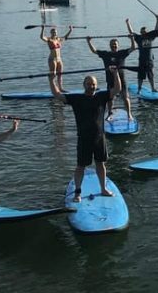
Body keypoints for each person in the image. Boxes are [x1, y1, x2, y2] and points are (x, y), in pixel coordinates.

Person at [48, 67, 121, 202]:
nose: (91, 86)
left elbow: (117, 89)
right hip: (84, 139)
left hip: (99, 138)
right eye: (88, 84)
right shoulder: (76, 98)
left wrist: (115, 73)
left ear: (96, 85)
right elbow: (57, 94)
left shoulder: (102, 96)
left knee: (100, 164)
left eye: (93, 84)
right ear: (84, 85)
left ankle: (103, 189)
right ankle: (77, 193)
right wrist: (52, 79)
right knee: (81, 166)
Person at [87, 35, 136, 120]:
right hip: (110, 81)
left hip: (122, 80)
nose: (114, 46)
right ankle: (110, 113)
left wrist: (132, 39)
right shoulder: (106, 54)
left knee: (126, 97)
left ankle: (129, 114)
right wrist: (89, 41)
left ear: (118, 45)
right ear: (110, 45)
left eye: (115, 44)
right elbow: (94, 51)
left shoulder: (122, 53)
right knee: (110, 99)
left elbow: (133, 48)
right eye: (112, 44)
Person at [126, 16, 158, 93]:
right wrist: (128, 23)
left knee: (151, 75)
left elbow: (156, 31)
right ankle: (139, 89)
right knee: (141, 76)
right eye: (142, 32)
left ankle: (153, 88)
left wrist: (157, 20)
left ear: (147, 32)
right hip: (142, 60)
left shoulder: (150, 37)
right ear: (140, 33)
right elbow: (131, 32)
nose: (143, 33)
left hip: (150, 60)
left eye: (145, 32)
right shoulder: (138, 38)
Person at [40, 25, 73, 92]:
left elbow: (65, 37)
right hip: (52, 59)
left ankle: (60, 89)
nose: (54, 33)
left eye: (55, 32)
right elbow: (42, 37)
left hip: (59, 59)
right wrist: (43, 29)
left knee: (60, 74)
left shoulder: (59, 39)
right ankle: (54, 89)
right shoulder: (49, 40)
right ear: (51, 33)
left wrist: (70, 30)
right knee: (53, 75)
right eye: (53, 32)